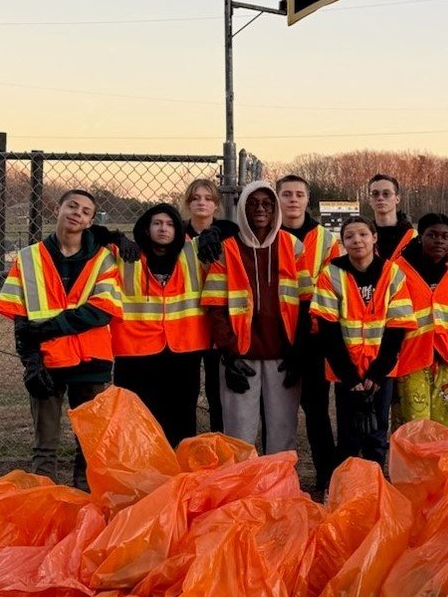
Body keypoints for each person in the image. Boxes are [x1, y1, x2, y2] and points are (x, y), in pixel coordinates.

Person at [0, 189, 122, 488]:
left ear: (91, 222)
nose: (78, 213)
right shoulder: (27, 258)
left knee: (89, 443)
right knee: (45, 444)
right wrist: (31, 362)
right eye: (72, 206)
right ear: (58, 210)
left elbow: (103, 310)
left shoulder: (103, 259)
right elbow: (21, 318)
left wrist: (50, 328)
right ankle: (43, 506)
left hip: (91, 361)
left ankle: (87, 502)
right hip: (47, 361)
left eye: (86, 211)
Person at [201, 181, 312, 453]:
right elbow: (215, 307)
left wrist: (299, 351)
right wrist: (229, 354)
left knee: (283, 430)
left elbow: (307, 302)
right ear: (242, 209)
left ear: (275, 209)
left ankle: (279, 488)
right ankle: (242, 489)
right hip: (241, 354)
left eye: (266, 203)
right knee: (238, 433)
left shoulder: (293, 246)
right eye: (252, 203)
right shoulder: (226, 249)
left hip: (284, 355)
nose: (260, 209)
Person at [312, 216, 417, 477]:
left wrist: (377, 374)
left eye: (362, 234)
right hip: (345, 371)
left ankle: (375, 490)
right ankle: (346, 492)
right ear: (343, 241)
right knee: (348, 436)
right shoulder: (331, 273)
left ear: (374, 237)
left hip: (380, 371)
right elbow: (328, 331)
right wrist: (350, 378)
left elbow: (396, 329)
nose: (356, 240)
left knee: (377, 434)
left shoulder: (393, 273)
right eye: (349, 236)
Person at [110, 203, 210, 446]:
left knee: (182, 414)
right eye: (157, 223)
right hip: (134, 350)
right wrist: (117, 237)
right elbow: (89, 233)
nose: (163, 229)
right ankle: (141, 473)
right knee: (137, 416)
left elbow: (231, 229)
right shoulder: (125, 254)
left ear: (178, 229)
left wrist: (213, 232)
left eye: (169, 224)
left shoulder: (193, 251)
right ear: (146, 228)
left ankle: (178, 473)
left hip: (183, 349)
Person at [277, 174, 342, 489]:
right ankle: (277, 477)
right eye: (286, 194)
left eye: (298, 194)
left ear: (307, 200)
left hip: (314, 336)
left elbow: (334, 288)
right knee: (278, 411)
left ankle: (326, 476)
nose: (292, 199)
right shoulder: (266, 235)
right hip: (275, 336)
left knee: (316, 411)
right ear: (278, 199)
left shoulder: (327, 240)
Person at [393, 214, 448, 430]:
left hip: (447, 358)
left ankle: (441, 465)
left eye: (445, 236)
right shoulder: (398, 270)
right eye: (432, 235)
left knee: (445, 427)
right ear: (420, 237)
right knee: (414, 427)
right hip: (412, 356)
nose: (439, 241)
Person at [182, 178, 239, 433]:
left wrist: (214, 232)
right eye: (196, 198)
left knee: (218, 393)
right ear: (188, 203)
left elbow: (237, 229)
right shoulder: (177, 233)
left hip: (218, 321)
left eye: (208, 198)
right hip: (187, 321)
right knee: (187, 391)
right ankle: (186, 446)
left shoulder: (228, 233)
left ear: (216, 205)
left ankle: (220, 446)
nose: (202, 203)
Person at [368, 173, 415, 261]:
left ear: (397, 199)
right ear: (370, 200)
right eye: (375, 194)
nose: (380, 198)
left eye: (386, 194)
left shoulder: (413, 236)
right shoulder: (364, 236)